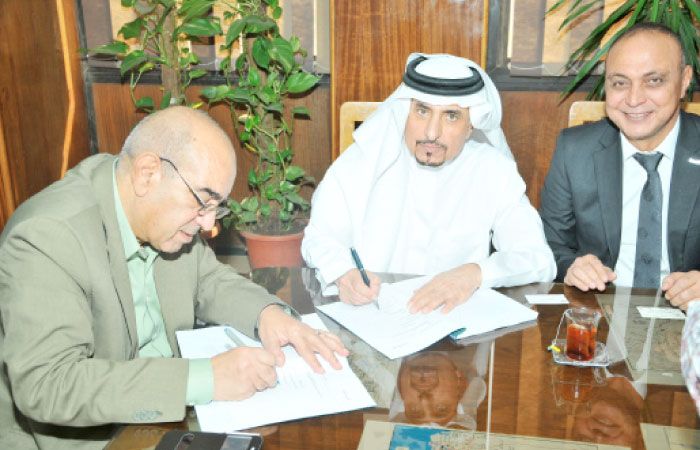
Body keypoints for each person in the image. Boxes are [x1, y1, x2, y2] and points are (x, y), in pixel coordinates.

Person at [0, 106, 347, 450]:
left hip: (168, 419)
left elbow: (210, 280)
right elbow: (48, 384)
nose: (209, 225)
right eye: (203, 202)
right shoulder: (47, 236)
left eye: (216, 208)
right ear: (147, 173)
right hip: (94, 436)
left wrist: (268, 314)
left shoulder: (162, 214)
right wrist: (205, 379)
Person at [302, 53, 556, 313]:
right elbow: (320, 237)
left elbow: (538, 259)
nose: (431, 133)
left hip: (455, 332)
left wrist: (474, 273)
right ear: (405, 111)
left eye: (451, 116)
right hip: (373, 319)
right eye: (422, 111)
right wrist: (343, 272)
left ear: (471, 127)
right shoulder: (366, 159)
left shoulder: (493, 170)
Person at [540, 22, 700, 310]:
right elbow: (550, 245)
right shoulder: (575, 149)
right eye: (619, 83)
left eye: (654, 81)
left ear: (684, 80)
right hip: (598, 314)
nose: (634, 99)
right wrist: (573, 266)